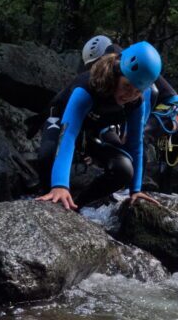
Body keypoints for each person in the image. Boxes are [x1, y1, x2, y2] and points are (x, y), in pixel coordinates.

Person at [36, 41, 163, 211]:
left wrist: (136, 189)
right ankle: (48, 197)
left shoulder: (136, 102)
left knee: (123, 169)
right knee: (47, 156)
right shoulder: (88, 88)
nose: (129, 96)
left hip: (94, 127)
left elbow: (135, 143)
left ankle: (77, 205)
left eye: (137, 91)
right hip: (61, 120)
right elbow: (68, 134)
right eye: (127, 86)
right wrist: (60, 185)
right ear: (117, 73)